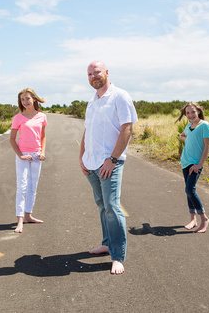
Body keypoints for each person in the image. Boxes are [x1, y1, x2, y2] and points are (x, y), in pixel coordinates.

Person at [79, 61, 138, 275]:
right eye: (90, 74)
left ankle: (117, 256)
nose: (93, 76)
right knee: (102, 205)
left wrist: (112, 159)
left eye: (97, 72)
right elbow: (87, 131)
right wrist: (81, 157)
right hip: (91, 162)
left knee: (113, 207)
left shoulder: (120, 96)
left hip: (109, 163)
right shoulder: (92, 102)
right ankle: (106, 243)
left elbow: (127, 127)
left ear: (106, 73)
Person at [10, 88, 47, 233]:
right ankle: (19, 220)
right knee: (22, 187)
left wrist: (42, 152)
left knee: (33, 186)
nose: (25, 102)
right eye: (22, 100)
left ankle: (28, 215)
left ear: (34, 99)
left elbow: (43, 136)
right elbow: (12, 140)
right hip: (23, 155)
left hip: (37, 155)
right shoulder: (18, 118)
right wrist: (20, 155)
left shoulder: (42, 116)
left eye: (27, 99)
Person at [176, 101, 209, 233]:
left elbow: (207, 146)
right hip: (185, 162)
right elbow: (182, 136)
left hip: (196, 163)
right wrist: (187, 140)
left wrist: (200, 164)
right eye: (187, 113)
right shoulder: (189, 126)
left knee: (190, 190)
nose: (190, 115)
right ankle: (193, 219)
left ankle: (204, 219)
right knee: (188, 190)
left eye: (192, 112)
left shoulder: (205, 125)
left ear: (198, 111)